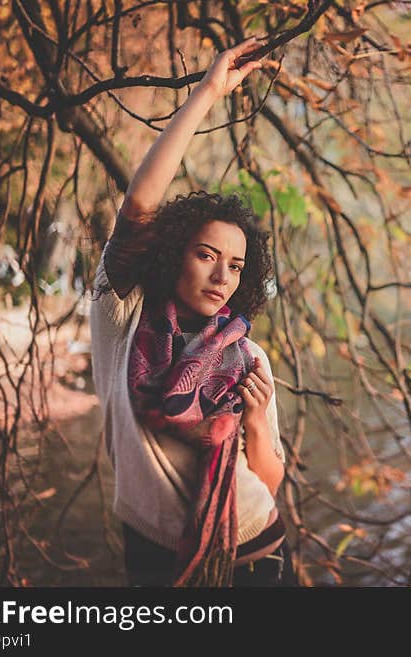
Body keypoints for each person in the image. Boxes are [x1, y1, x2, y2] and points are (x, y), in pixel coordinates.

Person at [90, 37, 296, 586]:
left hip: (258, 553)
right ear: (174, 253)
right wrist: (208, 93)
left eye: (235, 265)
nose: (221, 275)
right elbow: (138, 207)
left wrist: (254, 420)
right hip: (159, 557)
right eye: (206, 255)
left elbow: (269, 477)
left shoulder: (247, 354)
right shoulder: (123, 317)